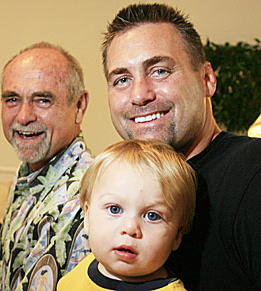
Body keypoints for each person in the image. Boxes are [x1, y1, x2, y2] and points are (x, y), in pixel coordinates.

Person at [102, 3, 261, 291]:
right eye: (122, 79)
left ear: (207, 79)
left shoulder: (252, 173)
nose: (139, 94)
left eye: (160, 71)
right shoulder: (118, 185)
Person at [0, 42, 93, 291]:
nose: (23, 117)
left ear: (79, 105)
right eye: (12, 99)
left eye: (42, 100)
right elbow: (11, 245)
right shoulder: (29, 172)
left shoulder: (89, 198)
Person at [57, 139, 196, 290]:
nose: (130, 228)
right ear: (87, 217)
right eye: (114, 209)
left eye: (152, 216)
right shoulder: (82, 269)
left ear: (177, 236)